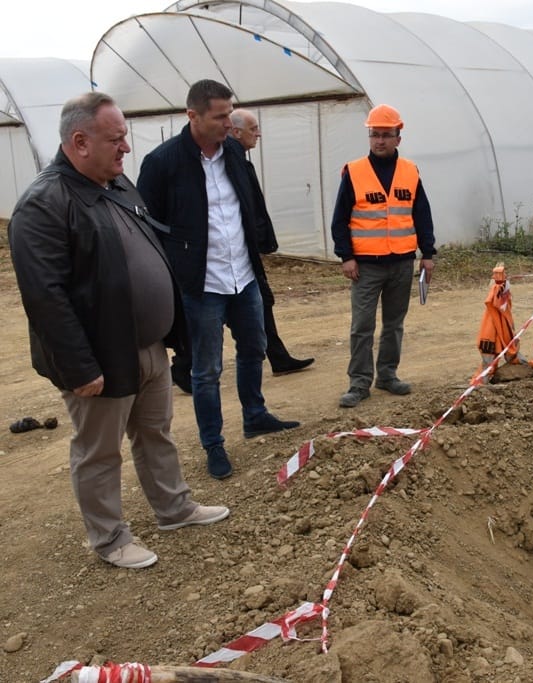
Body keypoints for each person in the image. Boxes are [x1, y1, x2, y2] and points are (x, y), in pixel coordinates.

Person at [8, 92, 229, 569]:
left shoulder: (115, 184)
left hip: (147, 345)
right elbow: (46, 298)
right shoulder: (45, 204)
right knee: (99, 452)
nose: (125, 147)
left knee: (156, 433)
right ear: (80, 141)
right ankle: (109, 538)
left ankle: (174, 508)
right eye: (116, 138)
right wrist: (79, 367)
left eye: (124, 136)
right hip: (100, 357)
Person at [137, 79, 299, 480]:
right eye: (220, 116)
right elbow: (147, 225)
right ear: (192, 115)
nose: (229, 122)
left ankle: (255, 415)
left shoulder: (232, 152)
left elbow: (247, 206)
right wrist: (174, 273)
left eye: (230, 113)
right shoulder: (163, 163)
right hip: (201, 285)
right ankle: (214, 444)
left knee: (253, 349)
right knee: (206, 370)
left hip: (243, 276)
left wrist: (260, 252)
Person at [168, 108, 315, 393]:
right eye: (253, 128)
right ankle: (184, 366)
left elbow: (251, 207)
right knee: (214, 318)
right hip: (220, 261)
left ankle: (278, 356)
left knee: (262, 304)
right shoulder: (217, 163)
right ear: (234, 132)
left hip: (244, 254)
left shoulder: (238, 161)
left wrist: (262, 239)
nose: (258, 133)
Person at [330, 103, 436, 408]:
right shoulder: (354, 172)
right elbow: (340, 219)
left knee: (394, 324)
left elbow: (422, 215)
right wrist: (346, 256)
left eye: (386, 135)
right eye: (375, 135)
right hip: (365, 266)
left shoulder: (410, 171)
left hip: (402, 263)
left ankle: (387, 375)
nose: (379, 141)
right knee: (362, 326)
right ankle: (359, 383)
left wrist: (428, 254)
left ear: (398, 138)